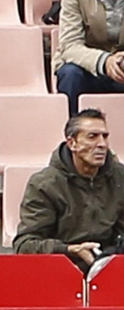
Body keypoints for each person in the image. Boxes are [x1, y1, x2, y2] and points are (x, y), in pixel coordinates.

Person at [14, 107, 124, 264]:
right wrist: (69, 250)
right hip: (61, 266)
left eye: (105, 136)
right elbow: (25, 245)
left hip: (112, 266)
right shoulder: (45, 184)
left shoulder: (120, 177)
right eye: (92, 137)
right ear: (72, 143)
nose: (102, 144)